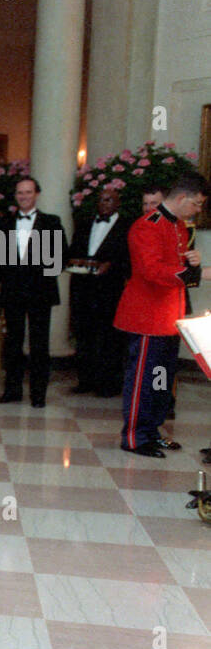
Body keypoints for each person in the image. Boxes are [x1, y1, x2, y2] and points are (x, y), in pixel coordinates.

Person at [113, 173, 206, 457]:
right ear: (182, 198)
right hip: (147, 318)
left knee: (162, 378)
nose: (199, 209)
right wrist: (198, 275)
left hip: (169, 317)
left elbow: (174, 263)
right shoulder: (147, 226)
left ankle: (152, 430)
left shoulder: (178, 226)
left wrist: (193, 261)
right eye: (197, 203)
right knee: (142, 379)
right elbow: (152, 271)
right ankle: (134, 437)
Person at [0, 177, 66, 408]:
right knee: (12, 343)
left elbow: (61, 257)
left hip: (40, 292)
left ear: (36, 194)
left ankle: (38, 395)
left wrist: (40, 270)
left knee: (39, 345)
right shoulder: (4, 223)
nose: (24, 196)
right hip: (13, 292)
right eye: (20, 193)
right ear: (16, 196)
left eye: (28, 192)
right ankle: (12, 391)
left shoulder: (51, 222)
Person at [66, 186, 131, 397]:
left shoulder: (126, 227)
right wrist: (75, 261)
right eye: (102, 200)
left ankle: (108, 385)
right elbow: (74, 251)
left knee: (109, 338)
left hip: (109, 290)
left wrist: (111, 265)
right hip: (83, 289)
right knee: (84, 335)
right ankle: (85, 380)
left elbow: (129, 260)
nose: (104, 203)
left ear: (118, 203)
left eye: (109, 200)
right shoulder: (84, 223)